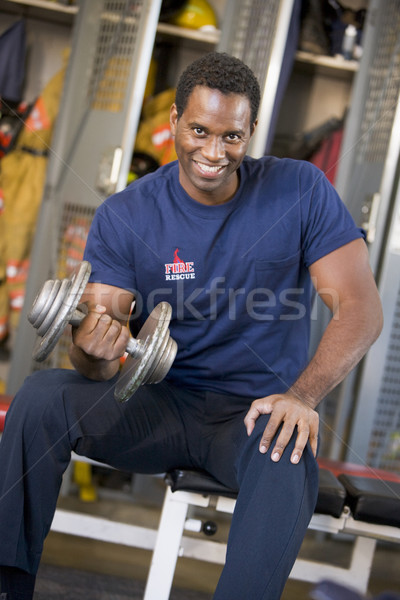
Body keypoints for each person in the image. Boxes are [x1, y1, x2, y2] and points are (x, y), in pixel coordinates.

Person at [0, 52, 382, 600]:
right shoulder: (127, 214)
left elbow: (361, 309)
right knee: (40, 398)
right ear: (175, 121)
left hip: (254, 417)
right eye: (199, 130)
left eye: (231, 136)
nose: (213, 151)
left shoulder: (299, 190)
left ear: (251, 131)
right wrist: (93, 348)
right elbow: (96, 348)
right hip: (158, 405)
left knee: (286, 451)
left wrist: (302, 397)